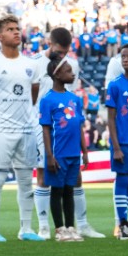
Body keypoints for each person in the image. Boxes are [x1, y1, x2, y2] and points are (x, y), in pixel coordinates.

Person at [0, 15, 44, 242]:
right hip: (1, 130)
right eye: (10, 29)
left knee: (26, 182)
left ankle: (26, 229)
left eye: (18, 28)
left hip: (26, 130)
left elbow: (32, 96)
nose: (16, 32)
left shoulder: (31, 64)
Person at [39, 56, 87, 242]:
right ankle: (59, 229)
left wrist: (84, 151)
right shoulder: (48, 100)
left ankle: (70, 227)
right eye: (68, 71)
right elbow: (45, 129)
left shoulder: (74, 99)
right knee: (57, 191)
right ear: (56, 74)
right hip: (57, 155)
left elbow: (79, 126)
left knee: (69, 191)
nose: (72, 74)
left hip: (74, 154)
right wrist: (49, 156)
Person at [105, 42, 128, 239]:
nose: (125, 59)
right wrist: (116, 147)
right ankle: (123, 225)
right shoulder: (115, 85)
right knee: (123, 179)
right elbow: (111, 118)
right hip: (123, 143)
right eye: (123, 56)